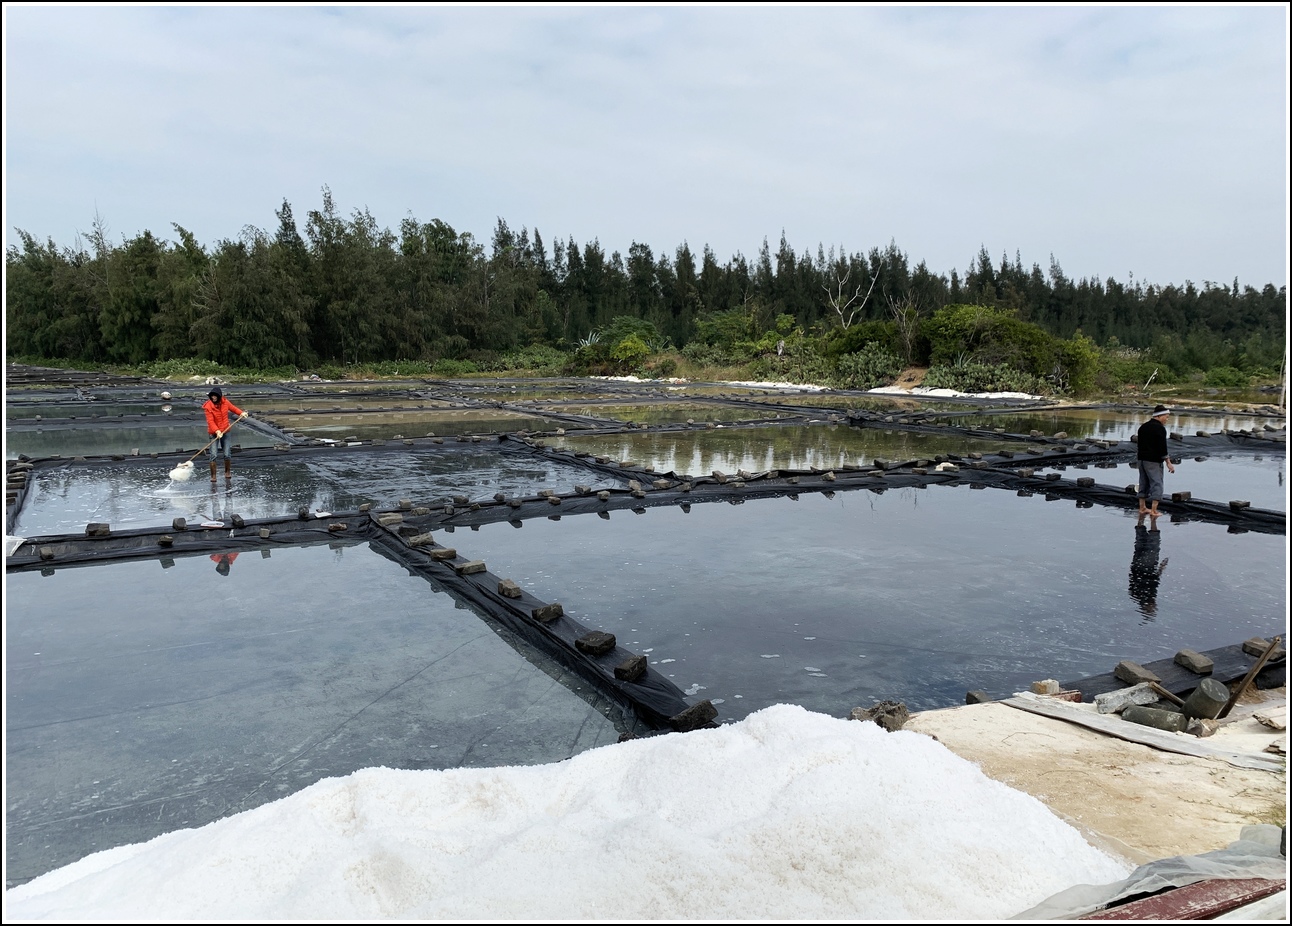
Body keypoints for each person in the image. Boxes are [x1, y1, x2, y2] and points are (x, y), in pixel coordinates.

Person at [1135, 404, 1175, 517]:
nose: (1167, 419)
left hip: (1142, 459)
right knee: (1157, 483)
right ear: (1159, 416)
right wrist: (1168, 462)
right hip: (1153, 460)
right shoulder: (1159, 428)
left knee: (1143, 482)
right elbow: (1162, 447)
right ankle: (1154, 510)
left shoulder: (1143, 427)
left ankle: (1142, 507)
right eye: (1166, 417)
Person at [202, 387, 248, 482]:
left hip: (226, 431)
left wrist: (241, 413)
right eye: (212, 396)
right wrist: (217, 431)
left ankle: (227, 472)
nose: (213, 398)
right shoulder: (208, 407)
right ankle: (213, 476)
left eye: (215, 396)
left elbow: (233, 408)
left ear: (219, 396)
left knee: (227, 453)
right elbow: (210, 421)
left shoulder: (225, 402)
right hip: (214, 433)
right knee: (213, 454)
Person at [1128, 516, 1168, 618]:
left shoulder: (1148, 596)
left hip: (1148, 566)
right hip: (1136, 565)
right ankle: (1141, 516)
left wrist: (1161, 568)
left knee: (1153, 544)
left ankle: (1153, 519)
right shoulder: (1134, 595)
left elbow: (1154, 581)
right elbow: (1132, 578)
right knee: (1140, 542)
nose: (1155, 605)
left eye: (1153, 607)